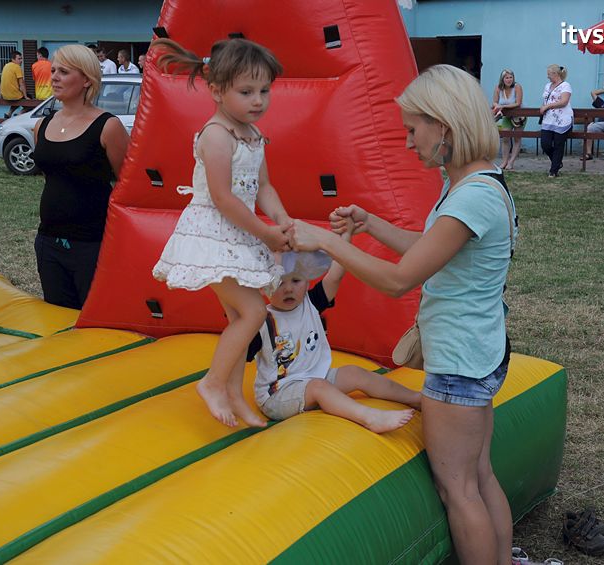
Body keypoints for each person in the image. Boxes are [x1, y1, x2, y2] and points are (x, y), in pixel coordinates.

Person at [288, 64, 517, 565]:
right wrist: (371, 224)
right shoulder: (475, 185)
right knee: (479, 477)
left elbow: (398, 280)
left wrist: (326, 240)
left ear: (445, 127)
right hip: (477, 351)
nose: (407, 140)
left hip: (459, 361)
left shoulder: (473, 194)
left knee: (458, 489)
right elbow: (429, 249)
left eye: (413, 128)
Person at [151, 37, 293, 428]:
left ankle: (234, 393)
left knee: (238, 316)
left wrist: (281, 220)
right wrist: (266, 234)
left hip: (238, 234)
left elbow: (264, 188)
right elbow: (223, 198)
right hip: (212, 234)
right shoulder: (216, 135)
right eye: (246, 92)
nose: (258, 100)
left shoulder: (253, 134)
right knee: (253, 311)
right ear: (216, 90)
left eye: (264, 90)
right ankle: (213, 383)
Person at [248, 244, 421, 432]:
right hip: (278, 395)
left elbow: (335, 276)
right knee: (318, 387)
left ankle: (416, 399)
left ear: (307, 282)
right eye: (280, 283)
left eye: (296, 280)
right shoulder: (261, 322)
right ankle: (370, 418)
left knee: (354, 373)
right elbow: (238, 354)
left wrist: (343, 238)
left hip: (314, 380)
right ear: (263, 288)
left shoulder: (311, 303)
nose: (288, 289)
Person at [32, 44, 130, 309]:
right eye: (53, 70)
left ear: (87, 79)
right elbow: (52, 179)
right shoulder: (43, 124)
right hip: (48, 239)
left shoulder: (109, 126)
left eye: (64, 71)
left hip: (92, 242)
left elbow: (126, 185)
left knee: (93, 319)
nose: (54, 77)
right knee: (57, 320)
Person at [539, 64, 573, 178]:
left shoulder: (565, 86)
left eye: (549, 74)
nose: (547, 77)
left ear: (556, 74)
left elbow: (564, 102)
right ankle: (557, 162)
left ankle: (554, 170)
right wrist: (543, 107)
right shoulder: (547, 86)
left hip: (562, 119)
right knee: (545, 144)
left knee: (559, 145)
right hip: (549, 119)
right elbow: (546, 100)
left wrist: (548, 106)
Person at [491, 69, 524, 171]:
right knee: (505, 137)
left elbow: (518, 103)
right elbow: (494, 102)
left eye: (510, 77)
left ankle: (511, 162)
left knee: (517, 138)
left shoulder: (517, 87)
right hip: (506, 116)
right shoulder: (498, 88)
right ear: (502, 79)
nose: (509, 79)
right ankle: (504, 161)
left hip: (519, 116)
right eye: (506, 77)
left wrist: (503, 106)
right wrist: (498, 106)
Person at [1, 50, 29, 119]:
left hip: (5, 96)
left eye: (21, 58)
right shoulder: (17, 67)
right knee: (30, 104)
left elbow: (1, 81)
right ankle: (19, 115)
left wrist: (0, 94)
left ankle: (9, 113)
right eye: (19, 59)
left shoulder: (6, 66)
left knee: (17, 98)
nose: (21, 60)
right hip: (14, 96)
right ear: (13, 59)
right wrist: (25, 96)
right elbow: (21, 83)